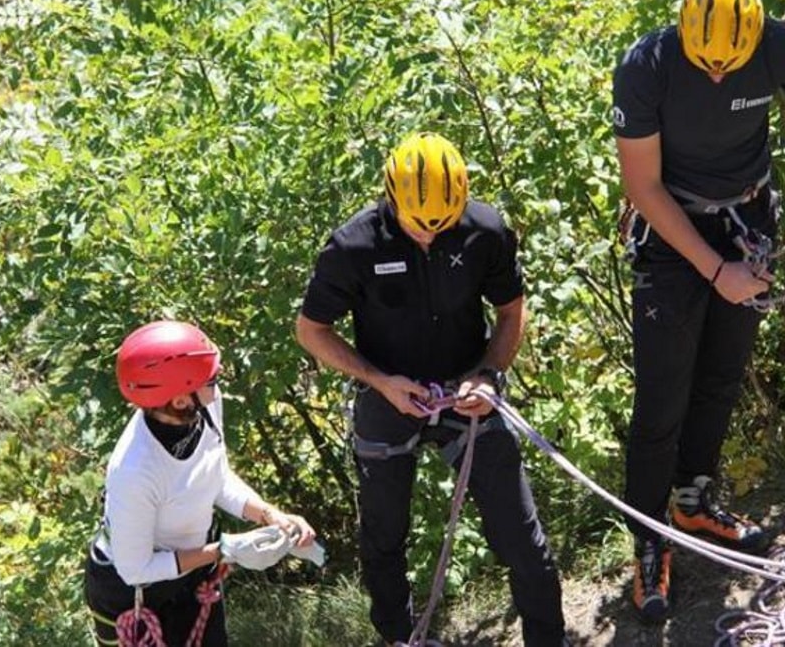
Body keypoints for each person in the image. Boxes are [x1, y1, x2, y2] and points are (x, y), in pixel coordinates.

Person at [612, 0, 785, 623]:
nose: (717, 74)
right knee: (662, 397)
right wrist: (717, 272)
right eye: (705, 63)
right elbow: (643, 185)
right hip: (672, 231)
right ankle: (648, 537)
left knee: (720, 376)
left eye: (730, 65)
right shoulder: (647, 64)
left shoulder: (777, 44)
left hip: (747, 222)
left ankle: (693, 501)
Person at [295, 132, 567, 646]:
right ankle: (400, 637)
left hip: (468, 391)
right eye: (418, 223)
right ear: (391, 198)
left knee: (520, 533)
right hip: (387, 398)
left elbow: (511, 311)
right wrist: (380, 382)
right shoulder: (353, 246)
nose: (428, 235)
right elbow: (312, 331)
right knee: (384, 535)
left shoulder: (484, 230)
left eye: (442, 223)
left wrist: (488, 374)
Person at [84, 320, 320, 646]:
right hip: (136, 588)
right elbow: (136, 569)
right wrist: (224, 550)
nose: (217, 380)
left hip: (193, 567)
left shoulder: (205, 406)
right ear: (180, 401)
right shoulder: (135, 469)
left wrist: (270, 515)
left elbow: (215, 477)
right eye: (212, 378)